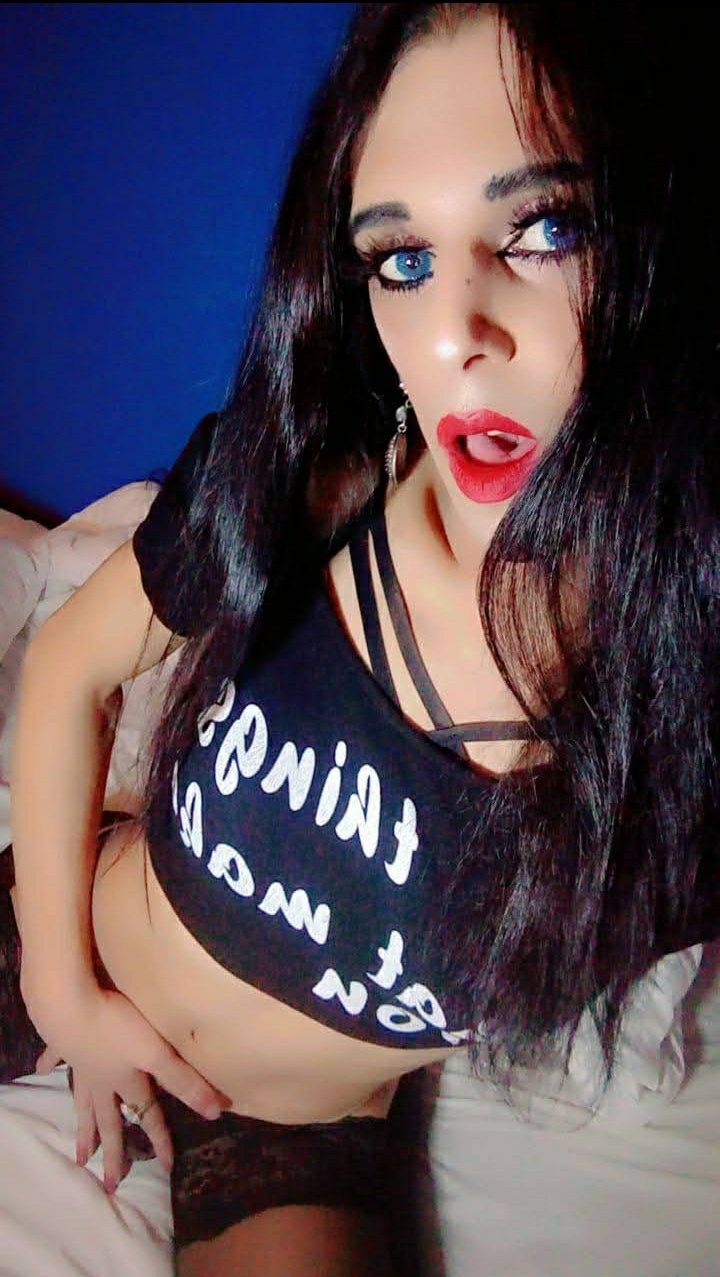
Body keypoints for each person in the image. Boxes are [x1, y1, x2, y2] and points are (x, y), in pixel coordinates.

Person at [5, 3, 718, 1274]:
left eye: (547, 229)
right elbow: (68, 667)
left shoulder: (686, 731)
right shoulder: (310, 486)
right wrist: (66, 994)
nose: (453, 336)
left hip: (289, 1128)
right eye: (401, 258)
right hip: (74, 939)